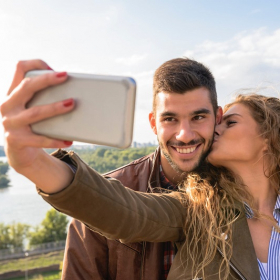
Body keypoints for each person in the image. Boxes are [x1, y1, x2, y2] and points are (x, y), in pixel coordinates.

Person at [6, 92, 280, 279]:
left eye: (230, 122)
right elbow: (125, 211)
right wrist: (34, 164)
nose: (215, 129)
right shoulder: (198, 207)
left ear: (268, 136)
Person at [1, 58, 222, 279]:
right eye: (170, 119)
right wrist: (33, 163)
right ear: (154, 123)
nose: (184, 135)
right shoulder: (97, 202)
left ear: (218, 118)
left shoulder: (240, 189)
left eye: (198, 117)